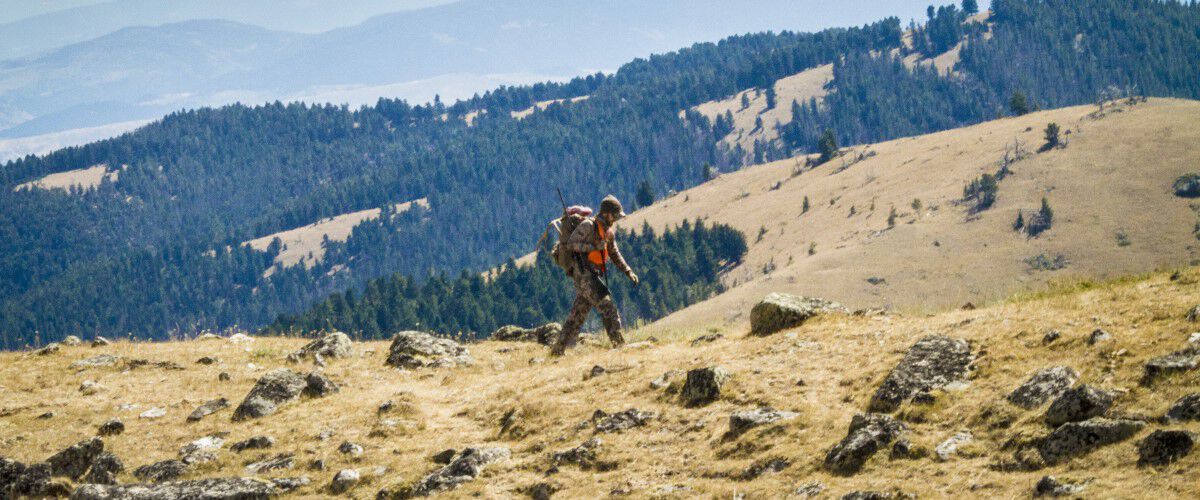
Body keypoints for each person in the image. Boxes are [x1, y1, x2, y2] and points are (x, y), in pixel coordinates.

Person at [550, 194, 639, 356]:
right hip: (584, 275)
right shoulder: (588, 226)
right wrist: (592, 247)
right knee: (608, 307)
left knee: (577, 315)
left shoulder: (608, 232)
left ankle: (557, 351)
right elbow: (571, 244)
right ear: (606, 213)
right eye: (615, 215)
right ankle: (619, 346)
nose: (616, 219)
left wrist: (628, 271)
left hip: (591, 276)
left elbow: (614, 253)